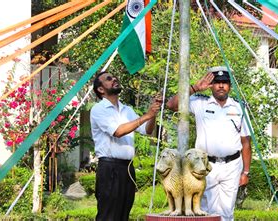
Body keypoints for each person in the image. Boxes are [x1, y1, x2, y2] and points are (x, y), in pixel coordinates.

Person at [166, 66, 252, 221]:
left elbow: (246, 142)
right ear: (211, 85)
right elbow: (171, 105)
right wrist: (195, 88)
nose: (221, 86)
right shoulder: (200, 103)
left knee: (227, 212)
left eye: (224, 82)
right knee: (205, 211)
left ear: (230, 86)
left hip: (232, 166)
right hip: (205, 166)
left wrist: (245, 172)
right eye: (217, 82)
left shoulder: (239, 107)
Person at [90, 71, 162, 221]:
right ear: (101, 89)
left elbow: (147, 130)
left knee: (124, 214)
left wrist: (153, 113)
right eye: (109, 79)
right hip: (109, 168)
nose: (114, 78)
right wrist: (146, 116)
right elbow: (118, 131)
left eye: (114, 77)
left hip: (127, 168)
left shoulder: (127, 110)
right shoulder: (98, 109)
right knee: (108, 215)